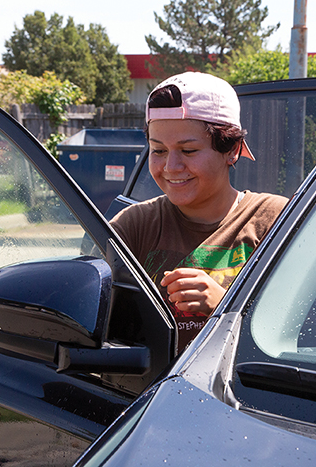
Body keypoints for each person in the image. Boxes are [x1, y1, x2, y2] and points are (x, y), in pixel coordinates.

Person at [110, 72, 288, 351]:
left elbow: (313, 331)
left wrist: (224, 305)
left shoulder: (275, 221)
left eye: (189, 150)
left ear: (232, 149)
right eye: (158, 150)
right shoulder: (134, 226)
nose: (171, 166)